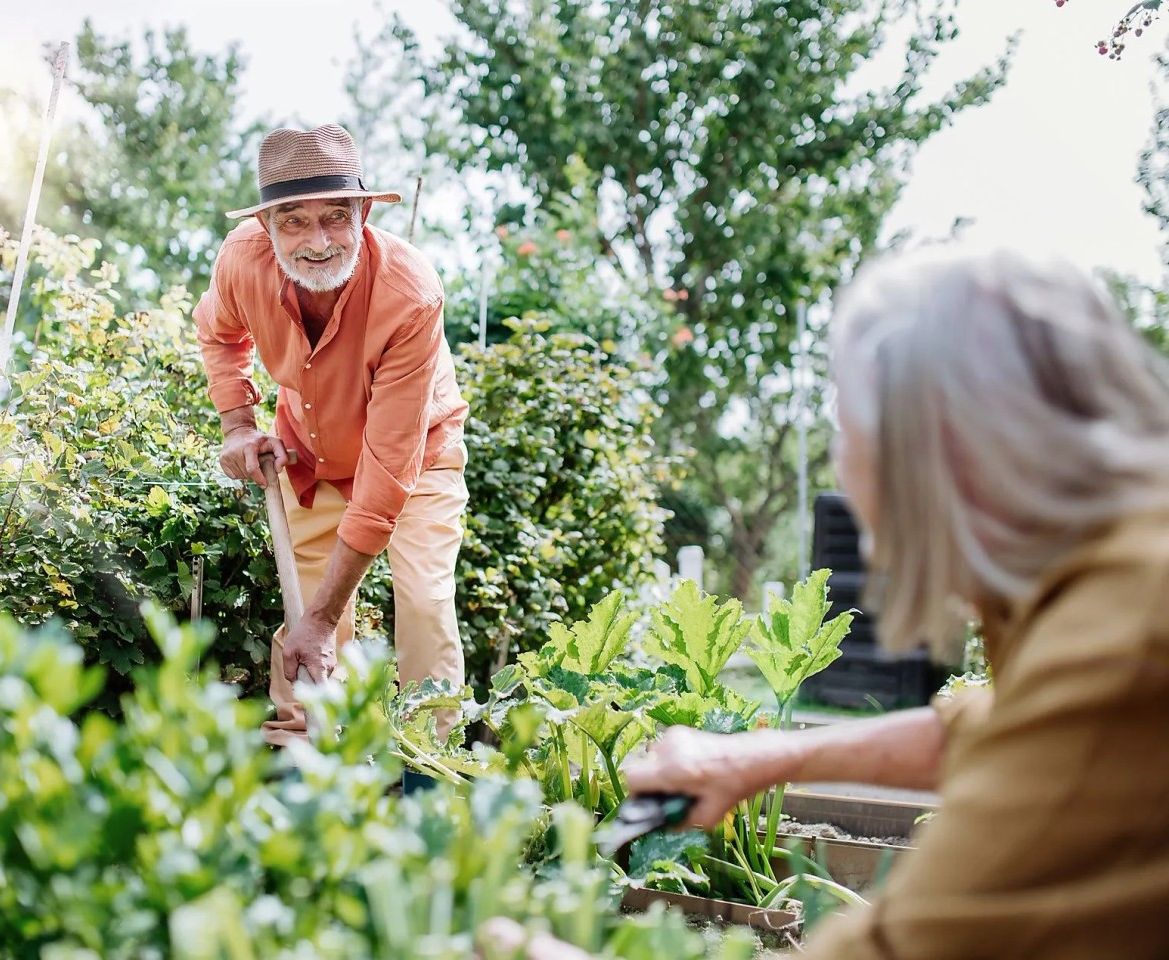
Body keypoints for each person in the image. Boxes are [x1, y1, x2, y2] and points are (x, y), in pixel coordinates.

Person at [491, 246, 1169, 958]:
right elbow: (991, 732)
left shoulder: (1123, 646)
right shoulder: (1113, 576)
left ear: (936, 453)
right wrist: (753, 760)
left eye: (849, 434)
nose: (844, 473)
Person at [193, 124, 470, 760]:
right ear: (266, 227)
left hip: (415, 456)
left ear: (364, 212)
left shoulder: (410, 294)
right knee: (309, 610)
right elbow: (218, 333)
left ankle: (429, 768)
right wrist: (237, 422)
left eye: (335, 217)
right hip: (311, 452)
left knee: (423, 600)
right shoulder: (241, 262)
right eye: (293, 221)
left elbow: (388, 469)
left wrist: (321, 618)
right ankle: (302, 761)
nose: (317, 242)